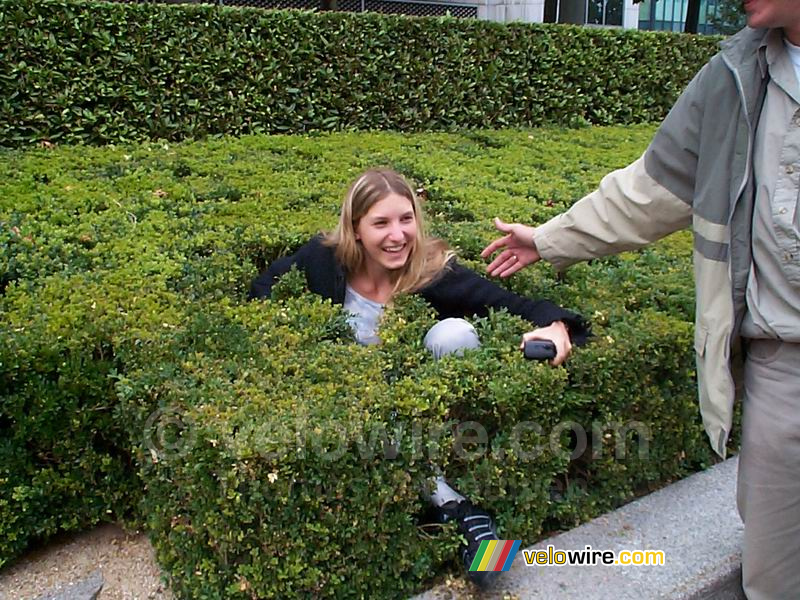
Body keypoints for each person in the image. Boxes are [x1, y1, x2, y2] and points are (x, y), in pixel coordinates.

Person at [481, 4, 800, 598]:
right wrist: (548, 239)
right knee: (776, 566)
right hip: (784, 364)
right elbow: (647, 192)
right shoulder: (733, 74)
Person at [250, 168, 589, 586]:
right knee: (378, 420)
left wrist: (558, 324)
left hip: (424, 407)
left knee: (456, 333)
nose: (397, 235)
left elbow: (511, 303)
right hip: (359, 403)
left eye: (405, 219)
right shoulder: (323, 259)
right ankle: (463, 512)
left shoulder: (430, 270)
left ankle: (457, 501)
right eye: (381, 223)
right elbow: (263, 288)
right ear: (355, 229)